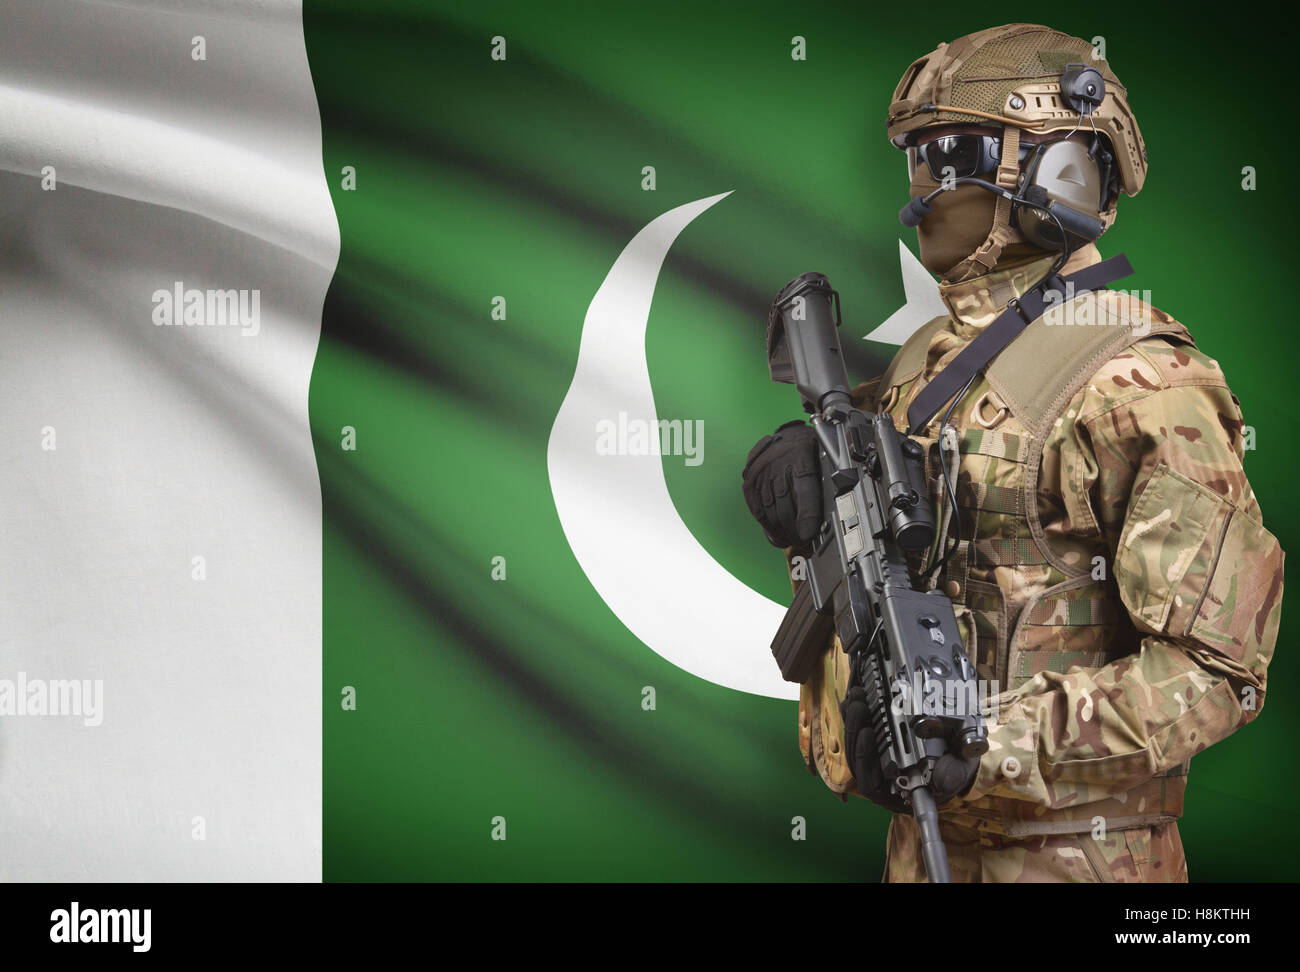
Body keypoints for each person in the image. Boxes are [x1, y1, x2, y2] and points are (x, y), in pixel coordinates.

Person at [741, 23, 1284, 882]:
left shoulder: (1142, 381)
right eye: (916, 156)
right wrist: (801, 499)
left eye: (949, 152)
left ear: (1056, 170)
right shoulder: (929, 357)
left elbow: (1216, 671)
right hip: (922, 851)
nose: (923, 187)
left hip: (1083, 863)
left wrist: (987, 739)